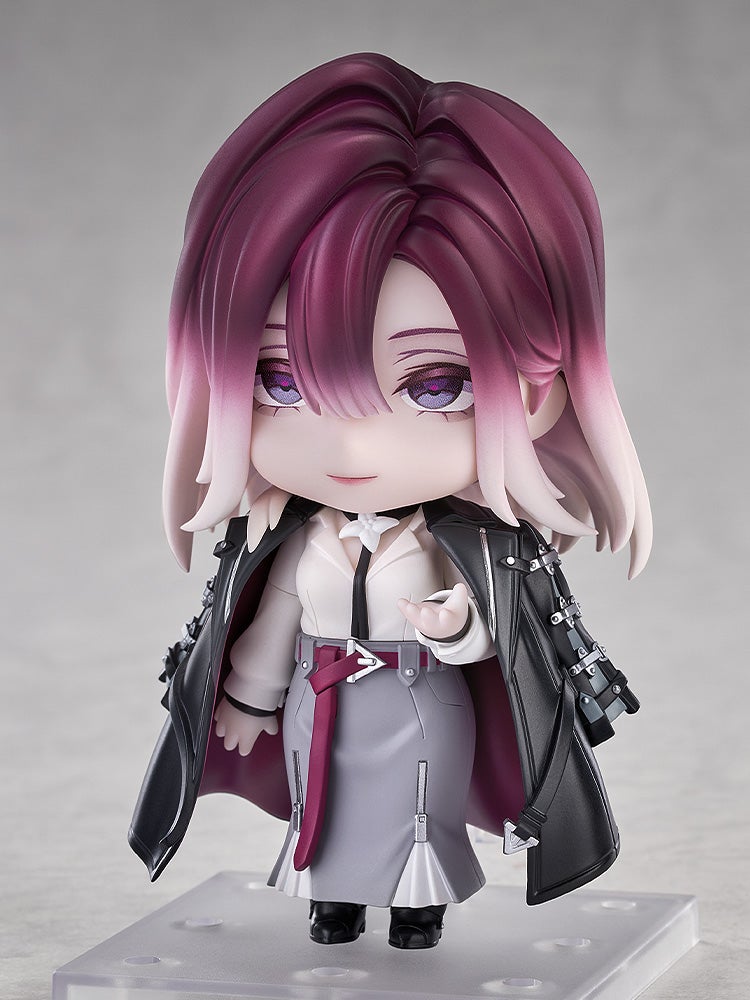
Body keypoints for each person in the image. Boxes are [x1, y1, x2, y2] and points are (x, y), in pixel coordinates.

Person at [129, 53, 651, 951]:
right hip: (318, 693)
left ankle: (418, 905)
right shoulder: (292, 543)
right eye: (281, 382)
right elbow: (272, 624)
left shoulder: (471, 545)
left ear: (540, 391)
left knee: (417, 806)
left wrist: (458, 626)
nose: (354, 449)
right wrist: (248, 699)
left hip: (421, 696)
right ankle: (331, 899)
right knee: (322, 800)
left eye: (436, 384)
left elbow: (502, 633)